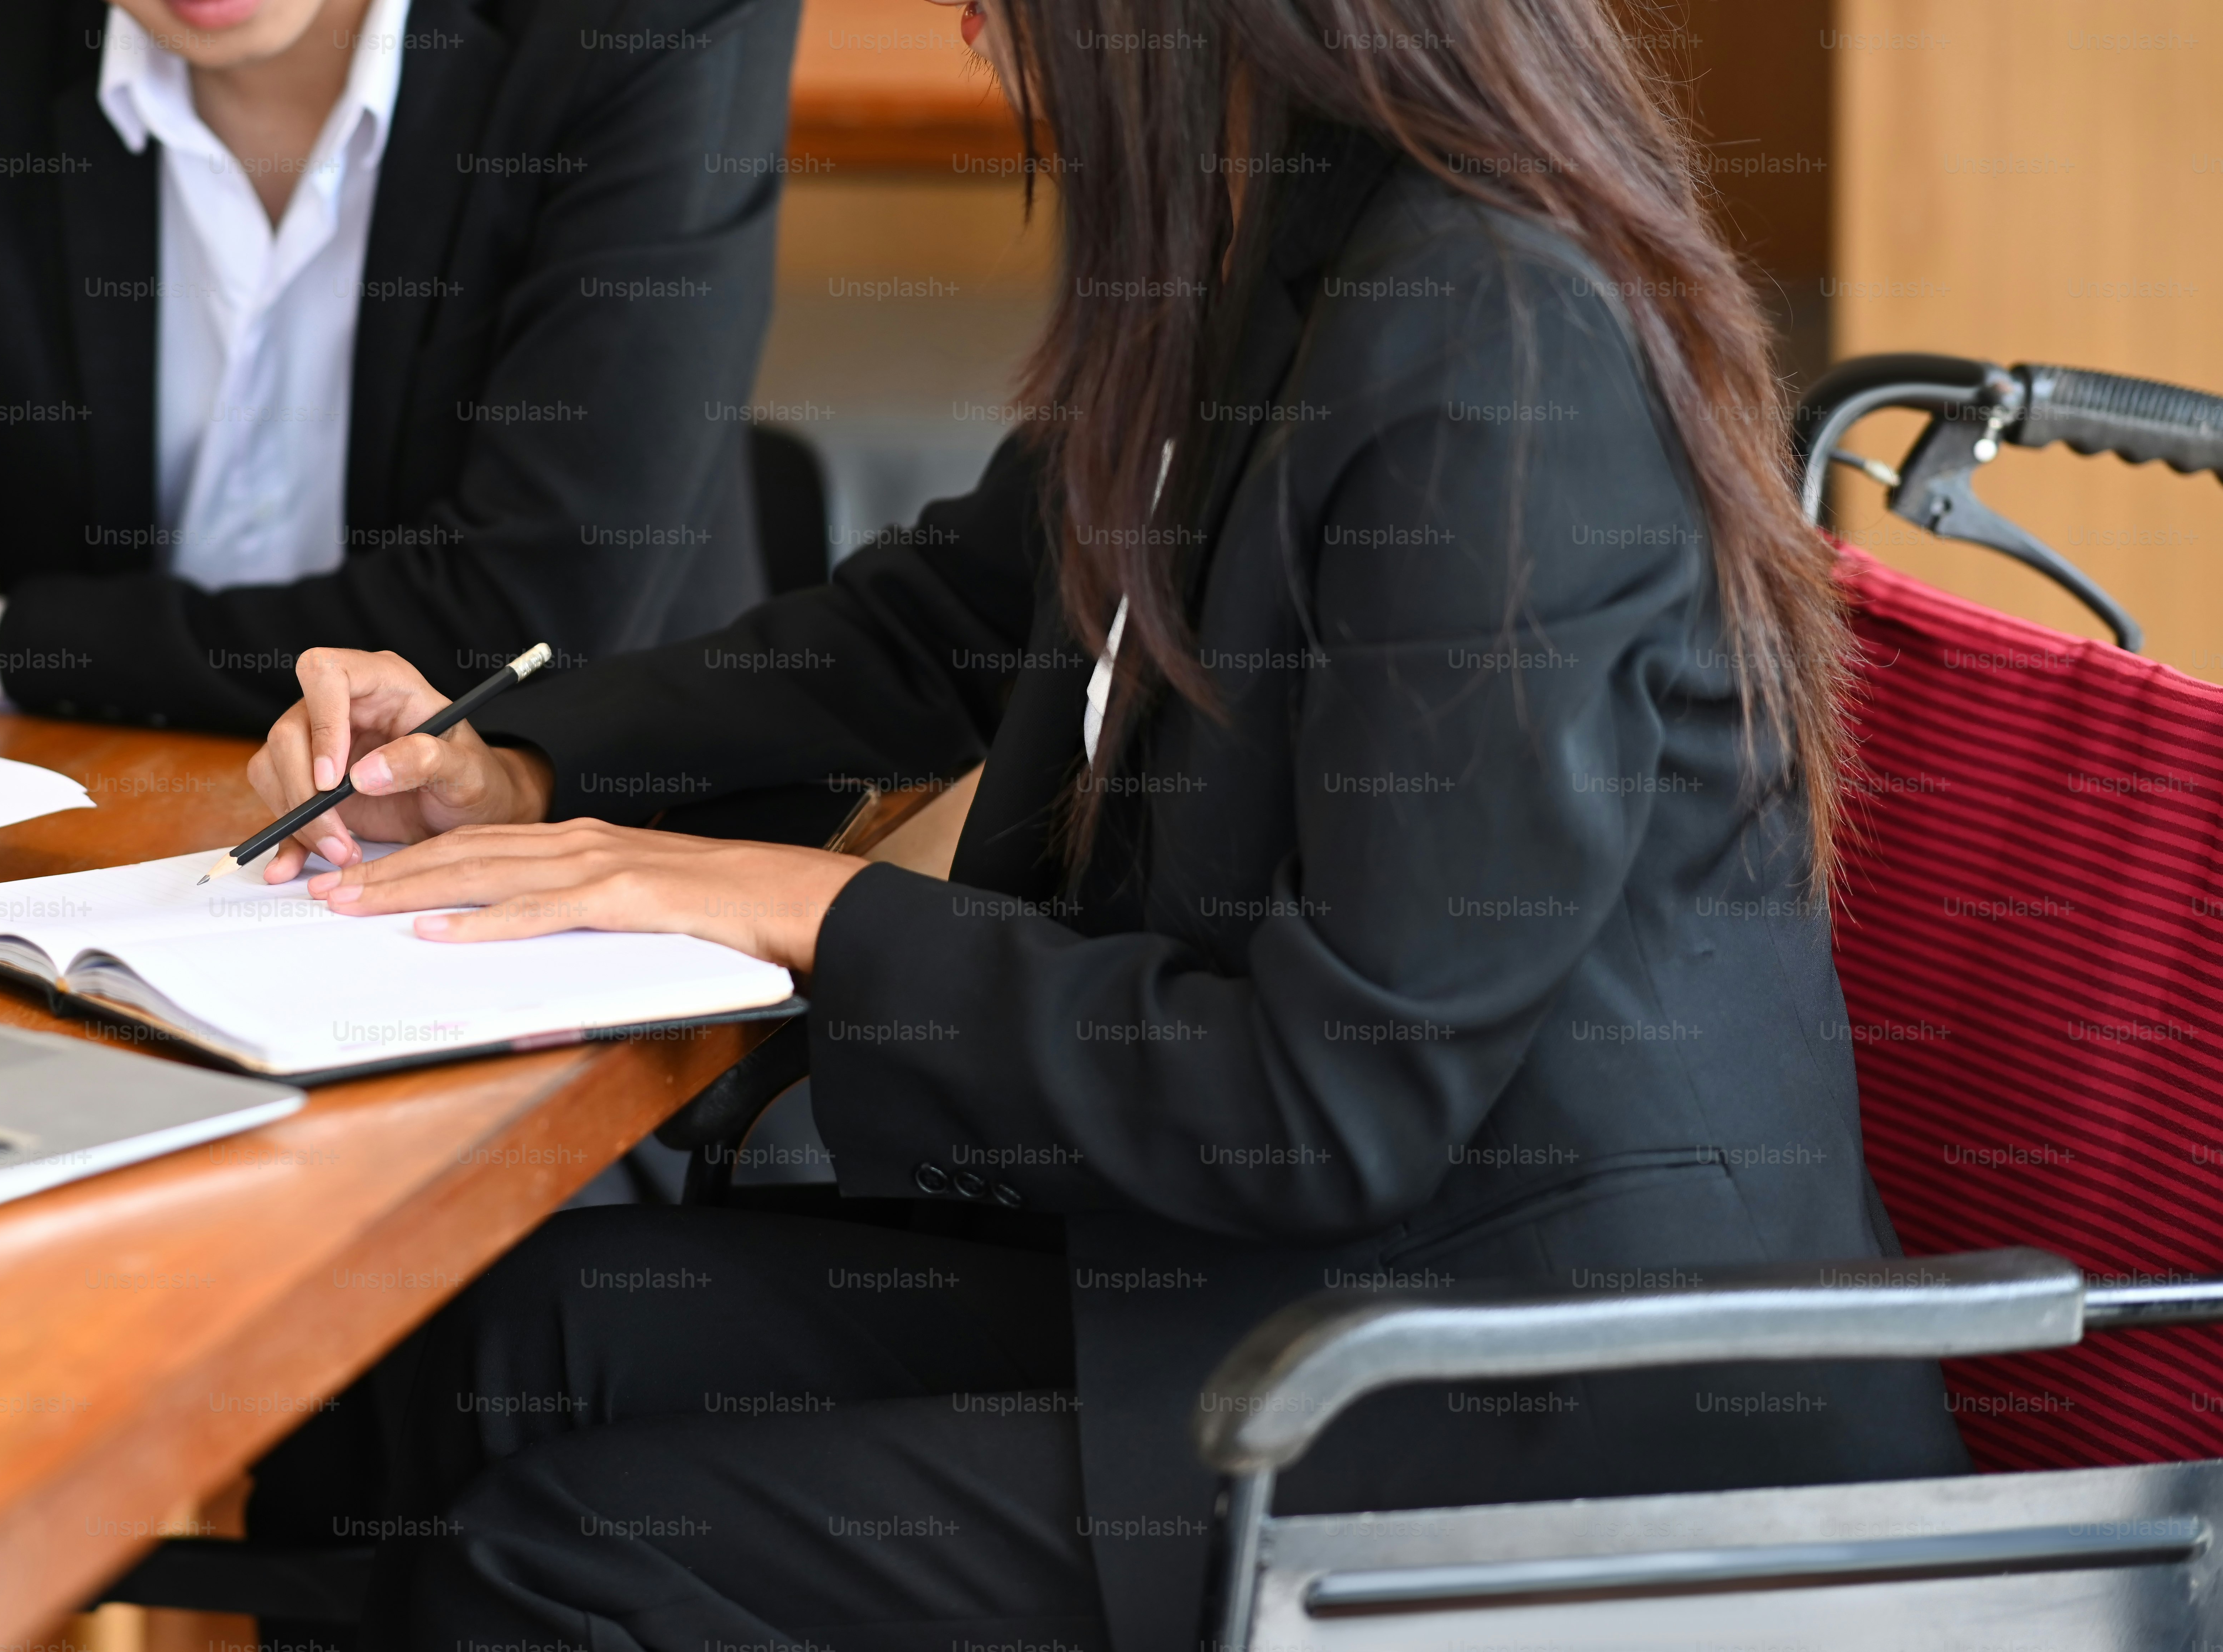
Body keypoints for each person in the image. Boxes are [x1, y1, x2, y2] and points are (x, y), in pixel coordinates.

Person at [220, 0, 1968, 1648]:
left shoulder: (1499, 354)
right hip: (1293, 1292)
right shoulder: (1272, 252)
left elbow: (1327, 1100)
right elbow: (934, 620)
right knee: (479, 1350)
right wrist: (515, 754)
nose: (978, 20)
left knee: (575, 1561)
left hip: (1542, 1410)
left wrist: (807, 908)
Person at [0, 0, 797, 773]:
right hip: (99, 847)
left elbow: (532, 612)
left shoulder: (647, 19)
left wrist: (24, 649)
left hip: (549, 829)